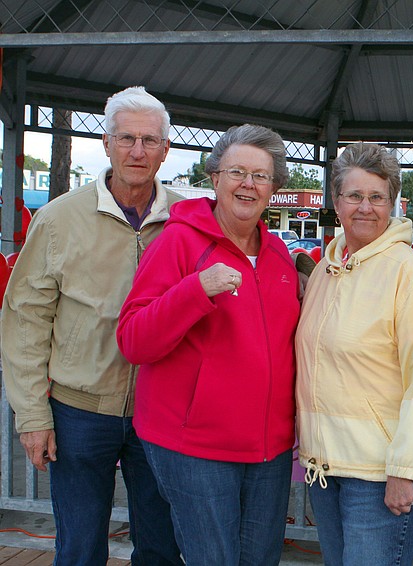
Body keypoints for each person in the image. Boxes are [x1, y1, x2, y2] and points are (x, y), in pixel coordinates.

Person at [0, 86, 183, 565]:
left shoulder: (187, 220)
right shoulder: (59, 219)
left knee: (162, 547)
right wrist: (33, 417)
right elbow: (25, 320)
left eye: (149, 140)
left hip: (160, 410)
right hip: (79, 413)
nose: (137, 151)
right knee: (80, 548)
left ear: (166, 149)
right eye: (126, 138)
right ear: (106, 143)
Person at [116, 124, 300, 565]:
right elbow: (133, 339)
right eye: (237, 171)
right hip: (195, 448)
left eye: (261, 175)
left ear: (274, 188)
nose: (248, 184)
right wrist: (195, 290)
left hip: (269, 449)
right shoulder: (179, 241)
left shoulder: (279, 256)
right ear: (214, 178)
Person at [295, 142, 413, 565]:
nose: (365, 207)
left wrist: (405, 470)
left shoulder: (410, 276)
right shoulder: (329, 271)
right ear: (336, 201)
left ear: (392, 203)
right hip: (324, 469)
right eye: (354, 196)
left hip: (379, 475)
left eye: (377, 197)